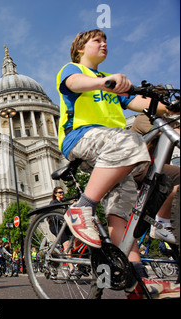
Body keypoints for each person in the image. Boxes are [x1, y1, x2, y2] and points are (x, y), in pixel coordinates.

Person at [57, 29, 179, 298]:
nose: (104, 44)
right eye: (97, 41)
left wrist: (171, 108)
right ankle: (82, 208)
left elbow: (138, 102)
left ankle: (136, 282)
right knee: (130, 141)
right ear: (80, 49)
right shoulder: (73, 70)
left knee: (125, 216)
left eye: (106, 41)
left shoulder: (109, 82)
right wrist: (105, 83)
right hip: (81, 137)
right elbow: (74, 83)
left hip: (113, 153)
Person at [131, 113, 180, 244]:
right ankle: (162, 222)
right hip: (138, 169)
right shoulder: (143, 118)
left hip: (156, 171)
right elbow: (173, 132)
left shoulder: (168, 119)